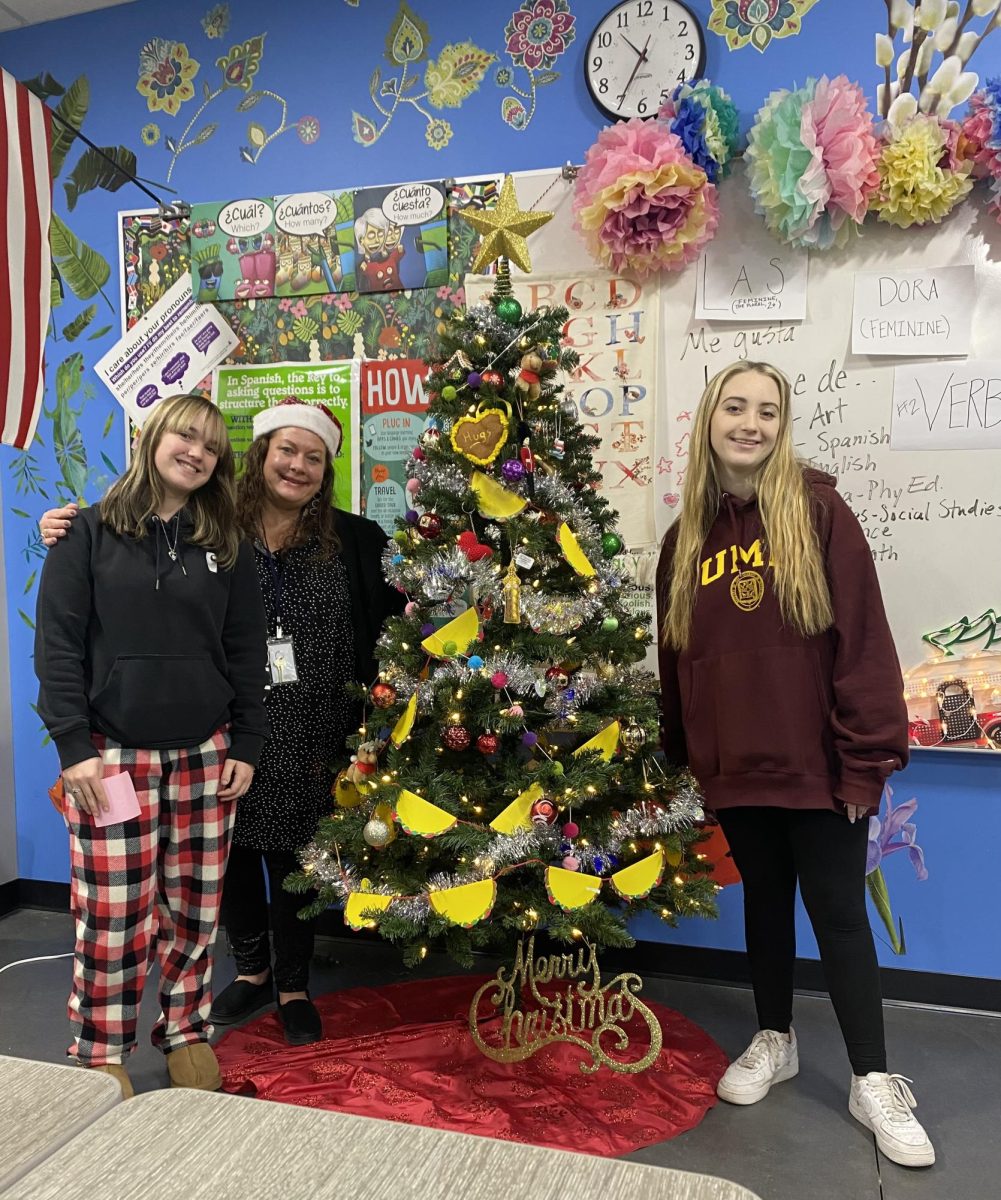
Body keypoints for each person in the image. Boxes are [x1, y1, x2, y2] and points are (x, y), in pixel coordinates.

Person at [41, 398, 402, 1048]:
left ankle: (291, 983)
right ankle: (252, 969)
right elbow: (88, 611)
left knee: (294, 857)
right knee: (226, 863)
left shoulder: (355, 540)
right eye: (285, 450)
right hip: (220, 727)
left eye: (312, 457)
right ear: (260, 456)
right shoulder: (212, 527)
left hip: (307, 733)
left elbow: (390, 627)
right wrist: (64, 528)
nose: (296, 466)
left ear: (325, 471)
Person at [656, 361, 935, 1169]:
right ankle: (773, 1040)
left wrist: (866, 762)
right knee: (765, 909)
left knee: (839, 918)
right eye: (735, 408)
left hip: (819, 769)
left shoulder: (819, 513)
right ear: (709, 420)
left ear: (782, 425)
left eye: (767, 411)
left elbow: (863, 642)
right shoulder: (683, 542)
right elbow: (678, 663)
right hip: (734, 769)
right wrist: (690, 763)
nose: (750, 422)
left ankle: (871, 1078)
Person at [34, 394, 269, 1099]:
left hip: (204, 753)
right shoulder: (87, 532)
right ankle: (102, 1045)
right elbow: (57, 648)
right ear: (153, 437)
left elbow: (246, 649)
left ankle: (185, 1032)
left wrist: (247, 743)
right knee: (111, 914)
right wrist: (73, 747)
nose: (196, 452)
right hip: (109, 759)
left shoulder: (227, 544)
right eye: (185, 435)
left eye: (211, 446)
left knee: (194, 910)